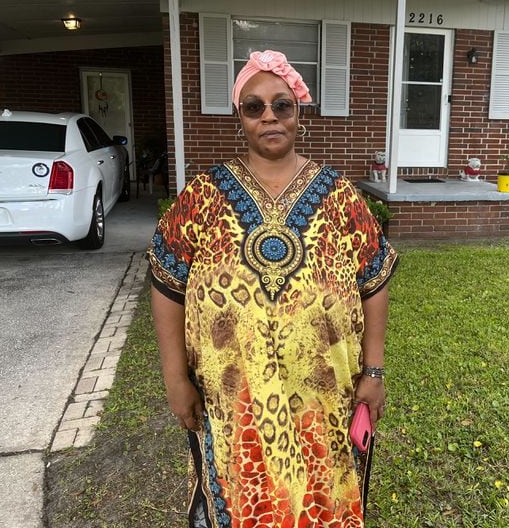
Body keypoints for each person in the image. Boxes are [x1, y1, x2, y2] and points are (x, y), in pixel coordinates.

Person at [148, 50, 398, 528]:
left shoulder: (340, 195)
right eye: (254, 106)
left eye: (281, 105)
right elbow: (166, 284)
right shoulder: (202, 196)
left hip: (325, 401)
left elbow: (374, 282)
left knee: (322, 501)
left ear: (299, 113)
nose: (269, 116)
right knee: (241, 501)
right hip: (230, 403)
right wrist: (175, 378)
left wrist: (375, 370)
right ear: (239, 116)